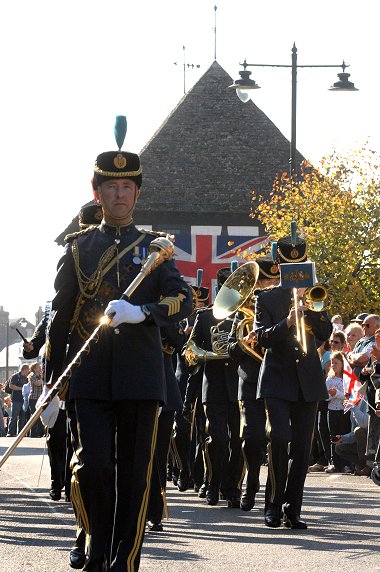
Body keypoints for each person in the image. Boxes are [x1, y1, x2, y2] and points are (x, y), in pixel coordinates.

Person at [45, 121, 193, 572]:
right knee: (94, 469)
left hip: (141, 375)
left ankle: (122, 562)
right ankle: (94, 550)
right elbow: (61, 315)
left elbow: (183, 301)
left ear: (137, 194)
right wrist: (54, 382)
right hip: (88, 374)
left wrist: (145, 313)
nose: (120, 194)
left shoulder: (156, 249)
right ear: (98, 192)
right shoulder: (77, 249)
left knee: (133, 477)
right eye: (112, 187)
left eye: (128, 186)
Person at [254, 231, 332, 529]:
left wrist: (311, 313)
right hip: (277, 380)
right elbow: (262, 338)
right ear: (281, 266)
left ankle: (291, 509)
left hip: (308, 382)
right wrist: (288, 320)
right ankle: (272, 504)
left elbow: (324, 335)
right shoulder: (267, 298)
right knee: (280, 439)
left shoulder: (316, 296)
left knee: (301, 449)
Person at [185, 267, 243, 508]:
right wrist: (204, 354)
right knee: (217, 438)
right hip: (215, 384)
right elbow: (189, 349)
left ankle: (233, 488)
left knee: (239, 440)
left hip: (240, 384)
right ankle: (212, 483)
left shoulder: (246, 316)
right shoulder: (206, 316)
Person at [228, 256, 280, 511]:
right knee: (252, 436)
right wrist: (243, 343)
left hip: (276, 379)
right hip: (250, 381)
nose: (267, 287)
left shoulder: (280, 307)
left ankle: (273, 496)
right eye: (264, 282)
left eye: (272, 281)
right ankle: (250, 484)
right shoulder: (241, 314)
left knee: (277, 438)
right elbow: (229, 348)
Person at [324, 352, 349, 473]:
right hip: (332, 411)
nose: (333, 365)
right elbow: (325, 396)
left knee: (343, 435)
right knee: (333, 436)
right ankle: (334, 463)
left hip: (343, 411)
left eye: (336, 363)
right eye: (332, 363)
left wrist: (337, 393)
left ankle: (345, 463)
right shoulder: (330, 379)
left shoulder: (346, 379)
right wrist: (331, 394)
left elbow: (348, 396)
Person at [6, 364, 30, 437]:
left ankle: (21, 433)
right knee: (14, 416)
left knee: (22, 417)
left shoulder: (27, 377)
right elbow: (11, 386)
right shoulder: (16, 376)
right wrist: (22, 389)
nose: (28, 371)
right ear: (24, 369)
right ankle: (10, 432)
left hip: (24, 399)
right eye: (27, 370)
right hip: (16, 399)